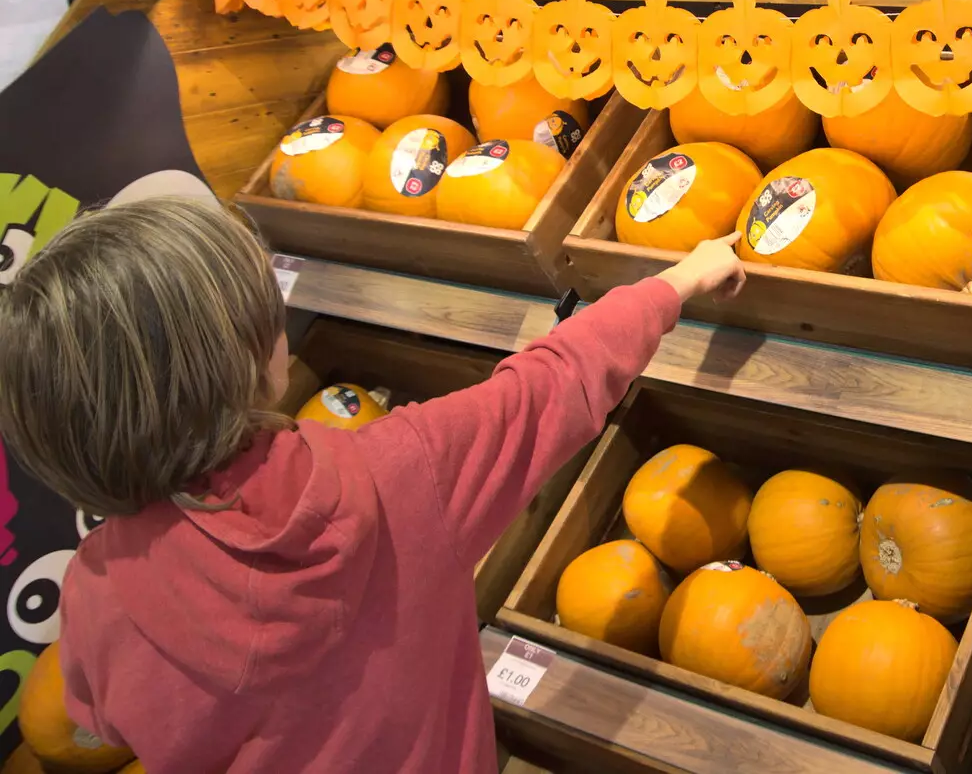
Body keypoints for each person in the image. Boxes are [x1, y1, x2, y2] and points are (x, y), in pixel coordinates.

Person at [0, 196, 745, 773]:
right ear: (261, 358)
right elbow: (554, 383)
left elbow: (101, 712)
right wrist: (678, 282)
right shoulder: (401, 474)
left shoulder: (99, 589)